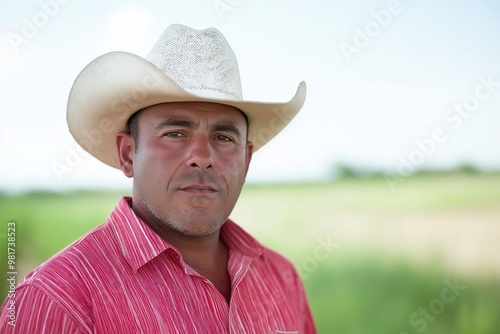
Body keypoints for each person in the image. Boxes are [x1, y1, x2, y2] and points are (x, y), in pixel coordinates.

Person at [0, 24, 315, 333]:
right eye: (175, 133)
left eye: (223, 137)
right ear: (128, 154)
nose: (203, 157)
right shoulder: (59, 300)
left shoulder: (281, 278)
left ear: (246, 159)